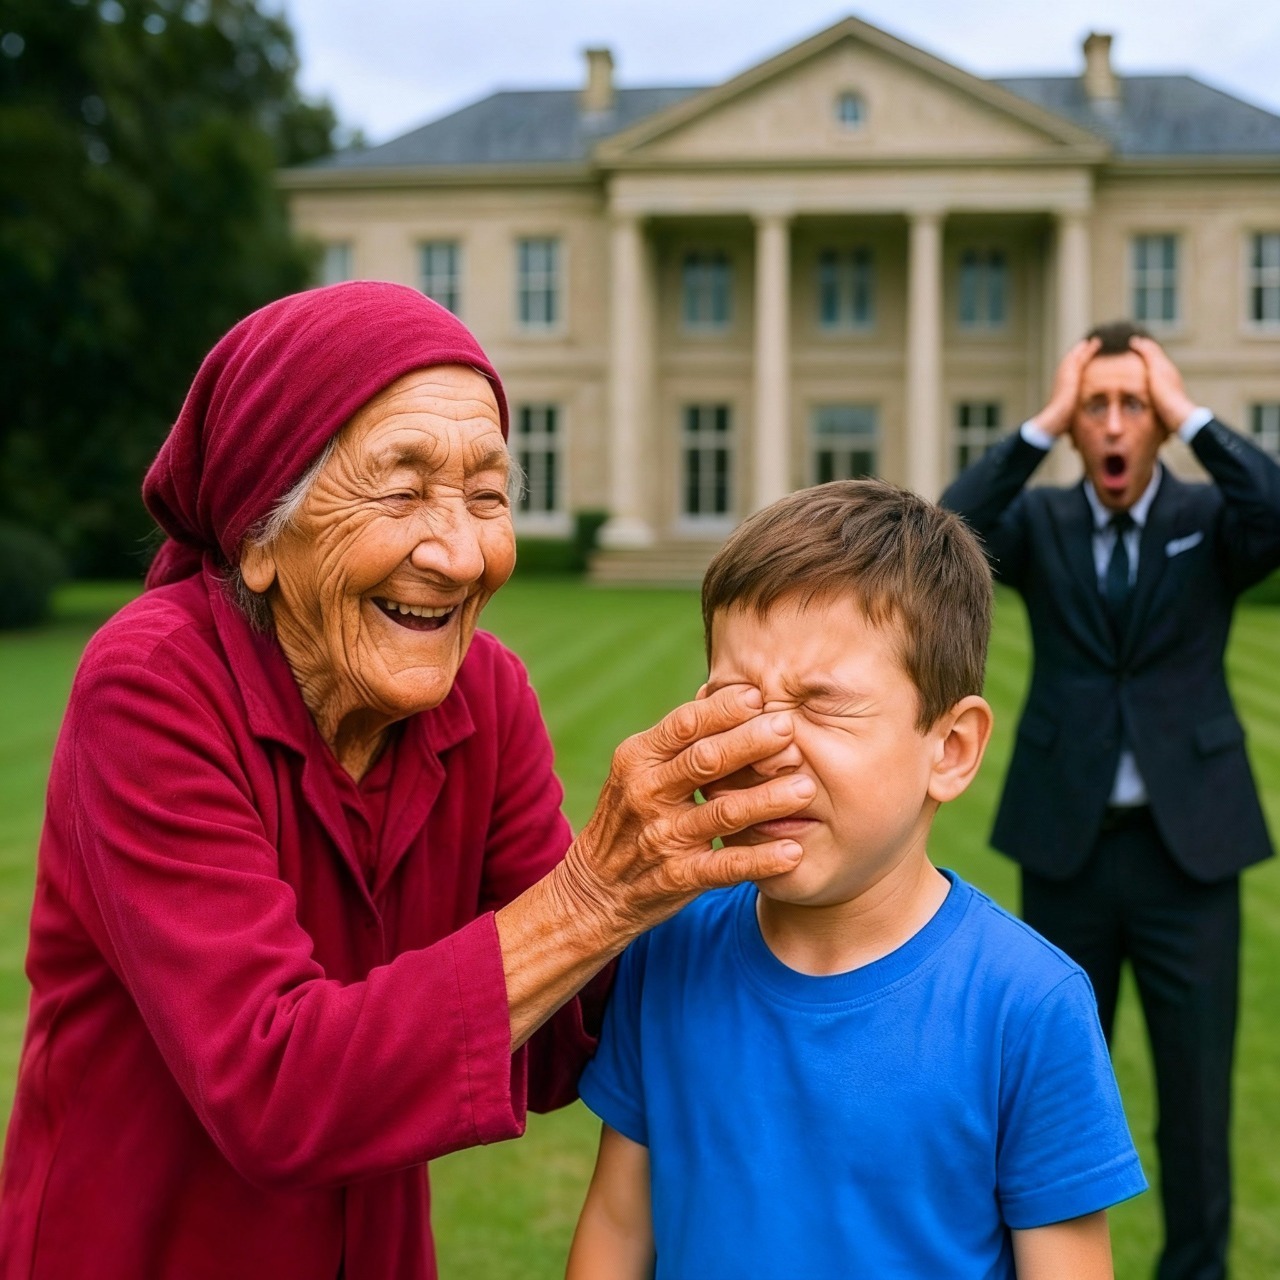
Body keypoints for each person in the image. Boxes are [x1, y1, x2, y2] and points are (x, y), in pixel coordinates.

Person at [0, 281, 819, 1280]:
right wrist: (595, 894)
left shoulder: (486, 695)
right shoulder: (153, 685)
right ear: (259, 535)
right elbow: (274, 1088)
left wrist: (760, 880)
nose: (463, 551)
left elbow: (561, 1040)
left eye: (487, 493)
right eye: (402, 487)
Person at [566, 480, 1147, 1280]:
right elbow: (618, 1227)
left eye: (824, 704)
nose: (765, 745)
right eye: (737, 701)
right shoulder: (670, 948)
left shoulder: (1027, 1006)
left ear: (950, 749)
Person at [941, 321, 1280, 1280]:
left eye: (1136, 405)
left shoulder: (1214, 519)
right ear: (1079, 427)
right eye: (1100, 406)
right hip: (1070, 849)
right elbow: (951, 524)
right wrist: (1044, 420)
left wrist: (1193, 416)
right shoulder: (1043, 526)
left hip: (1191, 857)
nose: (1117, 423)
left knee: (1197, 1100)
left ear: (1159, 421)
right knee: (1043, 1095)